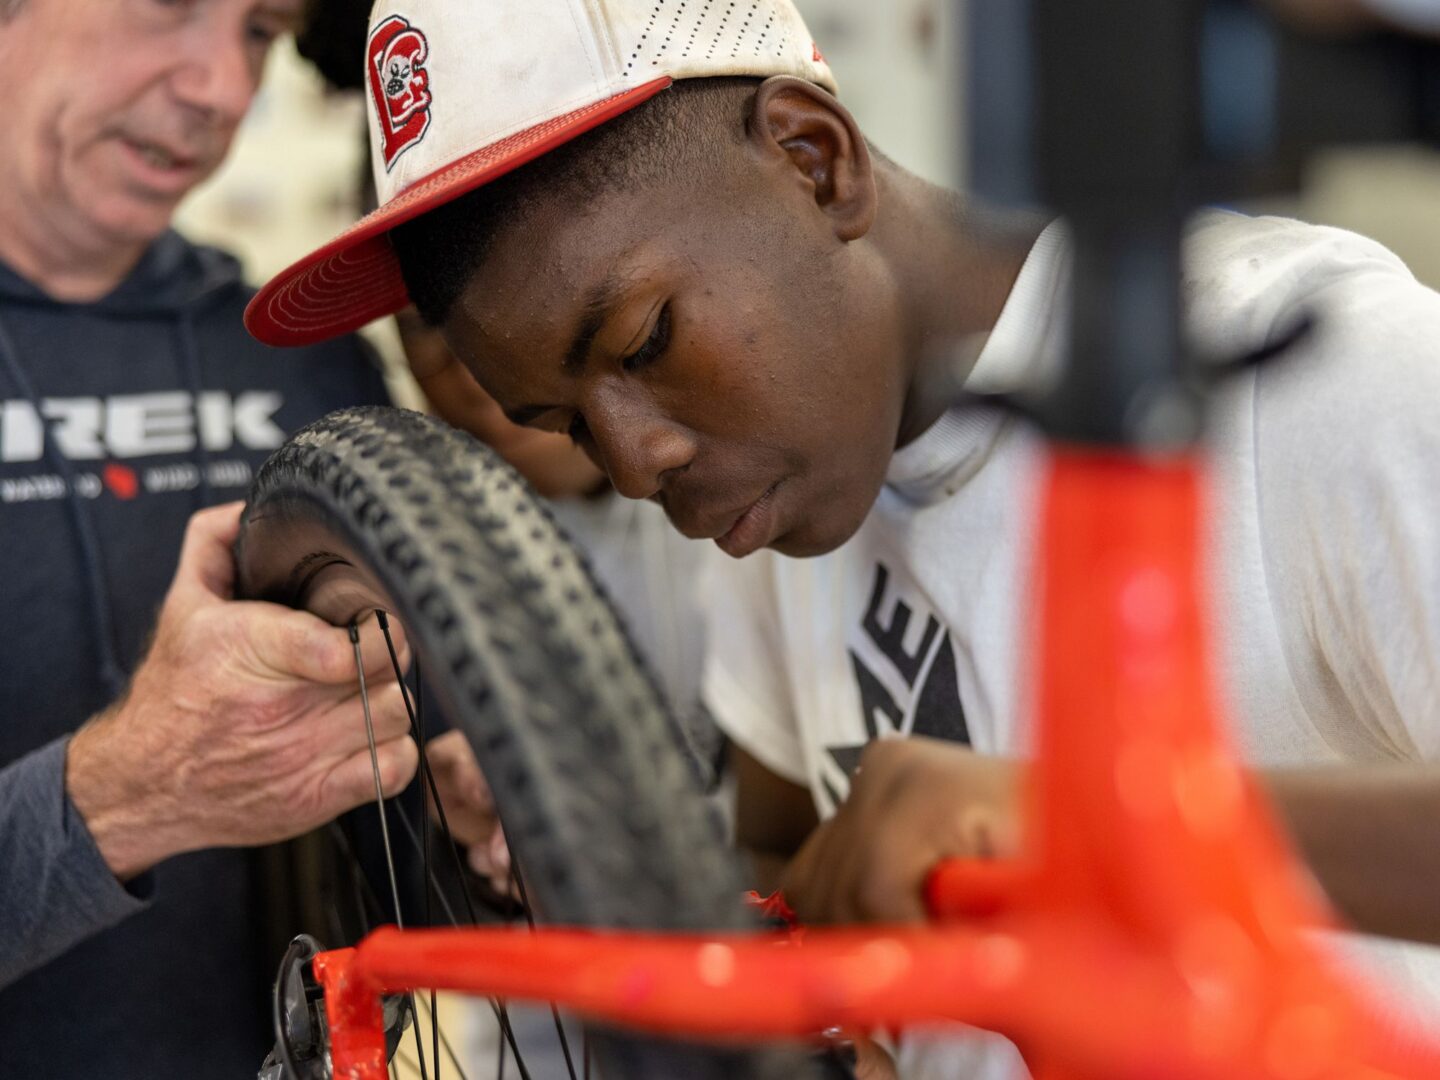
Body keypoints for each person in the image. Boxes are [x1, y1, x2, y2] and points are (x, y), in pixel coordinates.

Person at [246, 0, 1440, 1074]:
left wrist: (1078, 828)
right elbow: (780, 847)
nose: (635, 459)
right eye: (562, 420)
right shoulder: (787, 495)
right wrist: (601, 836)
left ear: (815, 162)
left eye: (648, 340)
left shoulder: (1330, 378)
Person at [0, 1, 418, 1075]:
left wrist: (469, 812)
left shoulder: (300, 358)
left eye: (258, 33)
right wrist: (124, 793)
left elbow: (395, 826)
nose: (225, 91)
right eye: (172, 7)